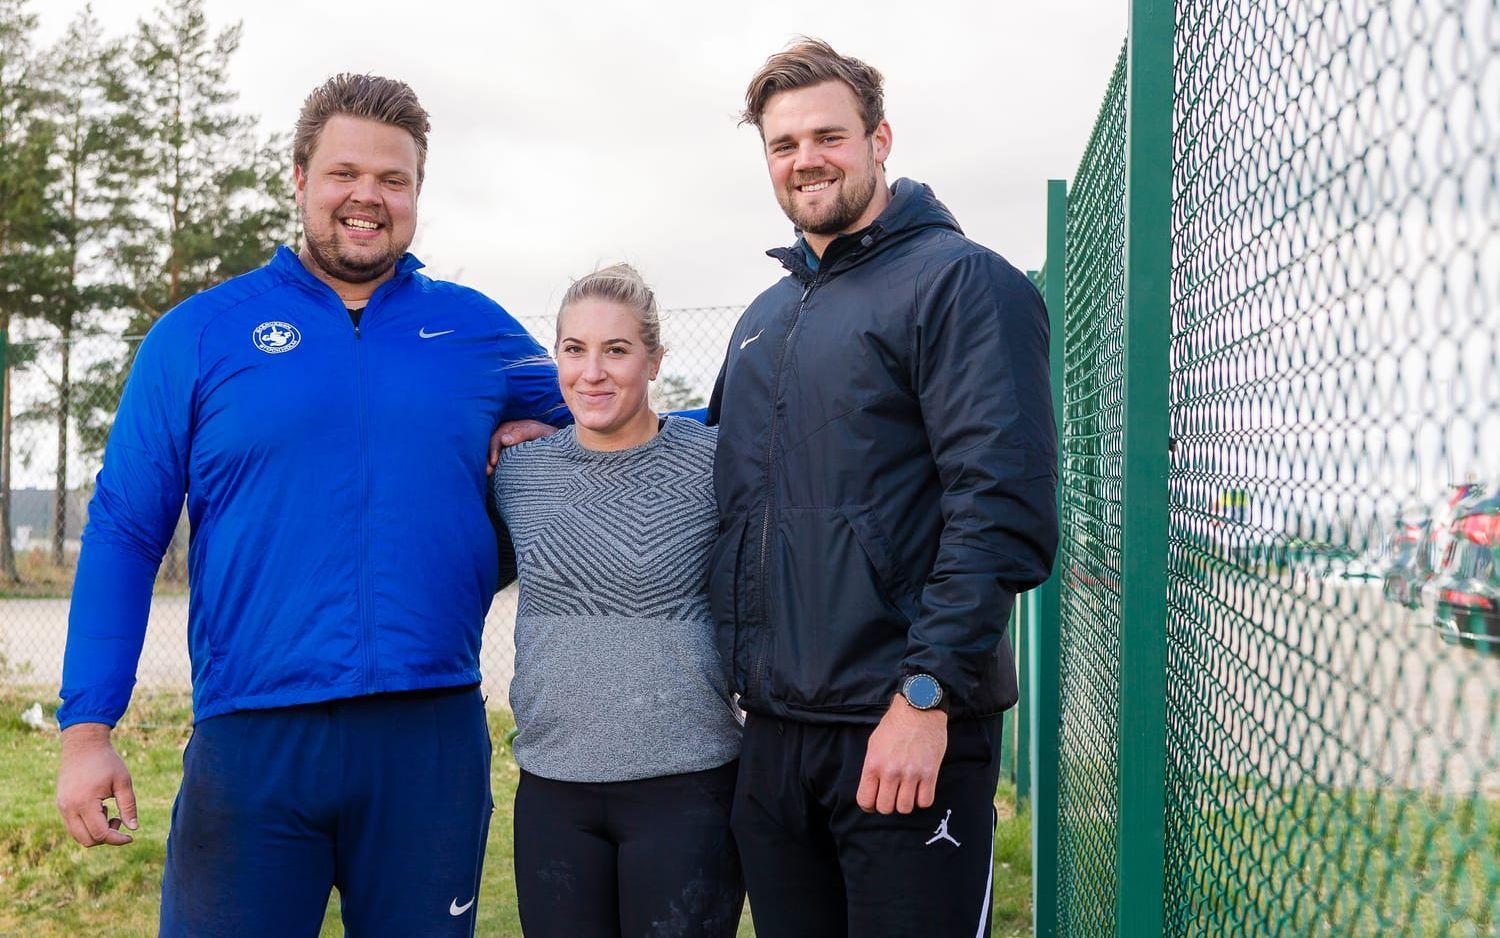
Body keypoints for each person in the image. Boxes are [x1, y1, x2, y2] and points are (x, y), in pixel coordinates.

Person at [53, 73, 568, 936]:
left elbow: (621, 424)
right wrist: (86, 729)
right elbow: (125, 532)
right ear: (299, 179)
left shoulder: (476, 334)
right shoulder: (200, 334)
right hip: (253, 741)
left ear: (416, 194)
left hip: (429, 737)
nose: (367, 196)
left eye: (393, 179)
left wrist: (547, 437)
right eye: (343, 173)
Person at [706, 39, 1060, 937]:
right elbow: (711, 470)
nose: (806, 160)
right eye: (783, 145)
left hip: (903, 728)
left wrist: (926, 695)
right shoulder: (766, 317)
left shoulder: (961, 282)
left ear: (880, 139)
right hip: (778, 739)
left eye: (828, 135)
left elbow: (1000, 509)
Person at [493, 264, 744, 938]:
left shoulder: (714, 463)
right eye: (574, 350)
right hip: (552, 787)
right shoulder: (518, 474)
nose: (592, 372)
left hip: (685, 787)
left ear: (655, 359)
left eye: (617, 350)